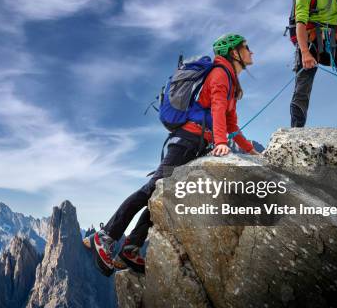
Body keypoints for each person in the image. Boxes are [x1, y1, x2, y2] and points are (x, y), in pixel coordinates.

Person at [89, 33, 258, 276]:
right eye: (246, 47)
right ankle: (106, 236)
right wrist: (221, 142)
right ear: (234, 53)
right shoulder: (220, 74)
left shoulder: (230, 81)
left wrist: (249, 148)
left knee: (165, 196)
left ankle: (131, 247)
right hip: (186, 142)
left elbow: (231, 122)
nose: (251, 52)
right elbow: (218, 110)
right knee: (152, 189)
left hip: (196, 144)